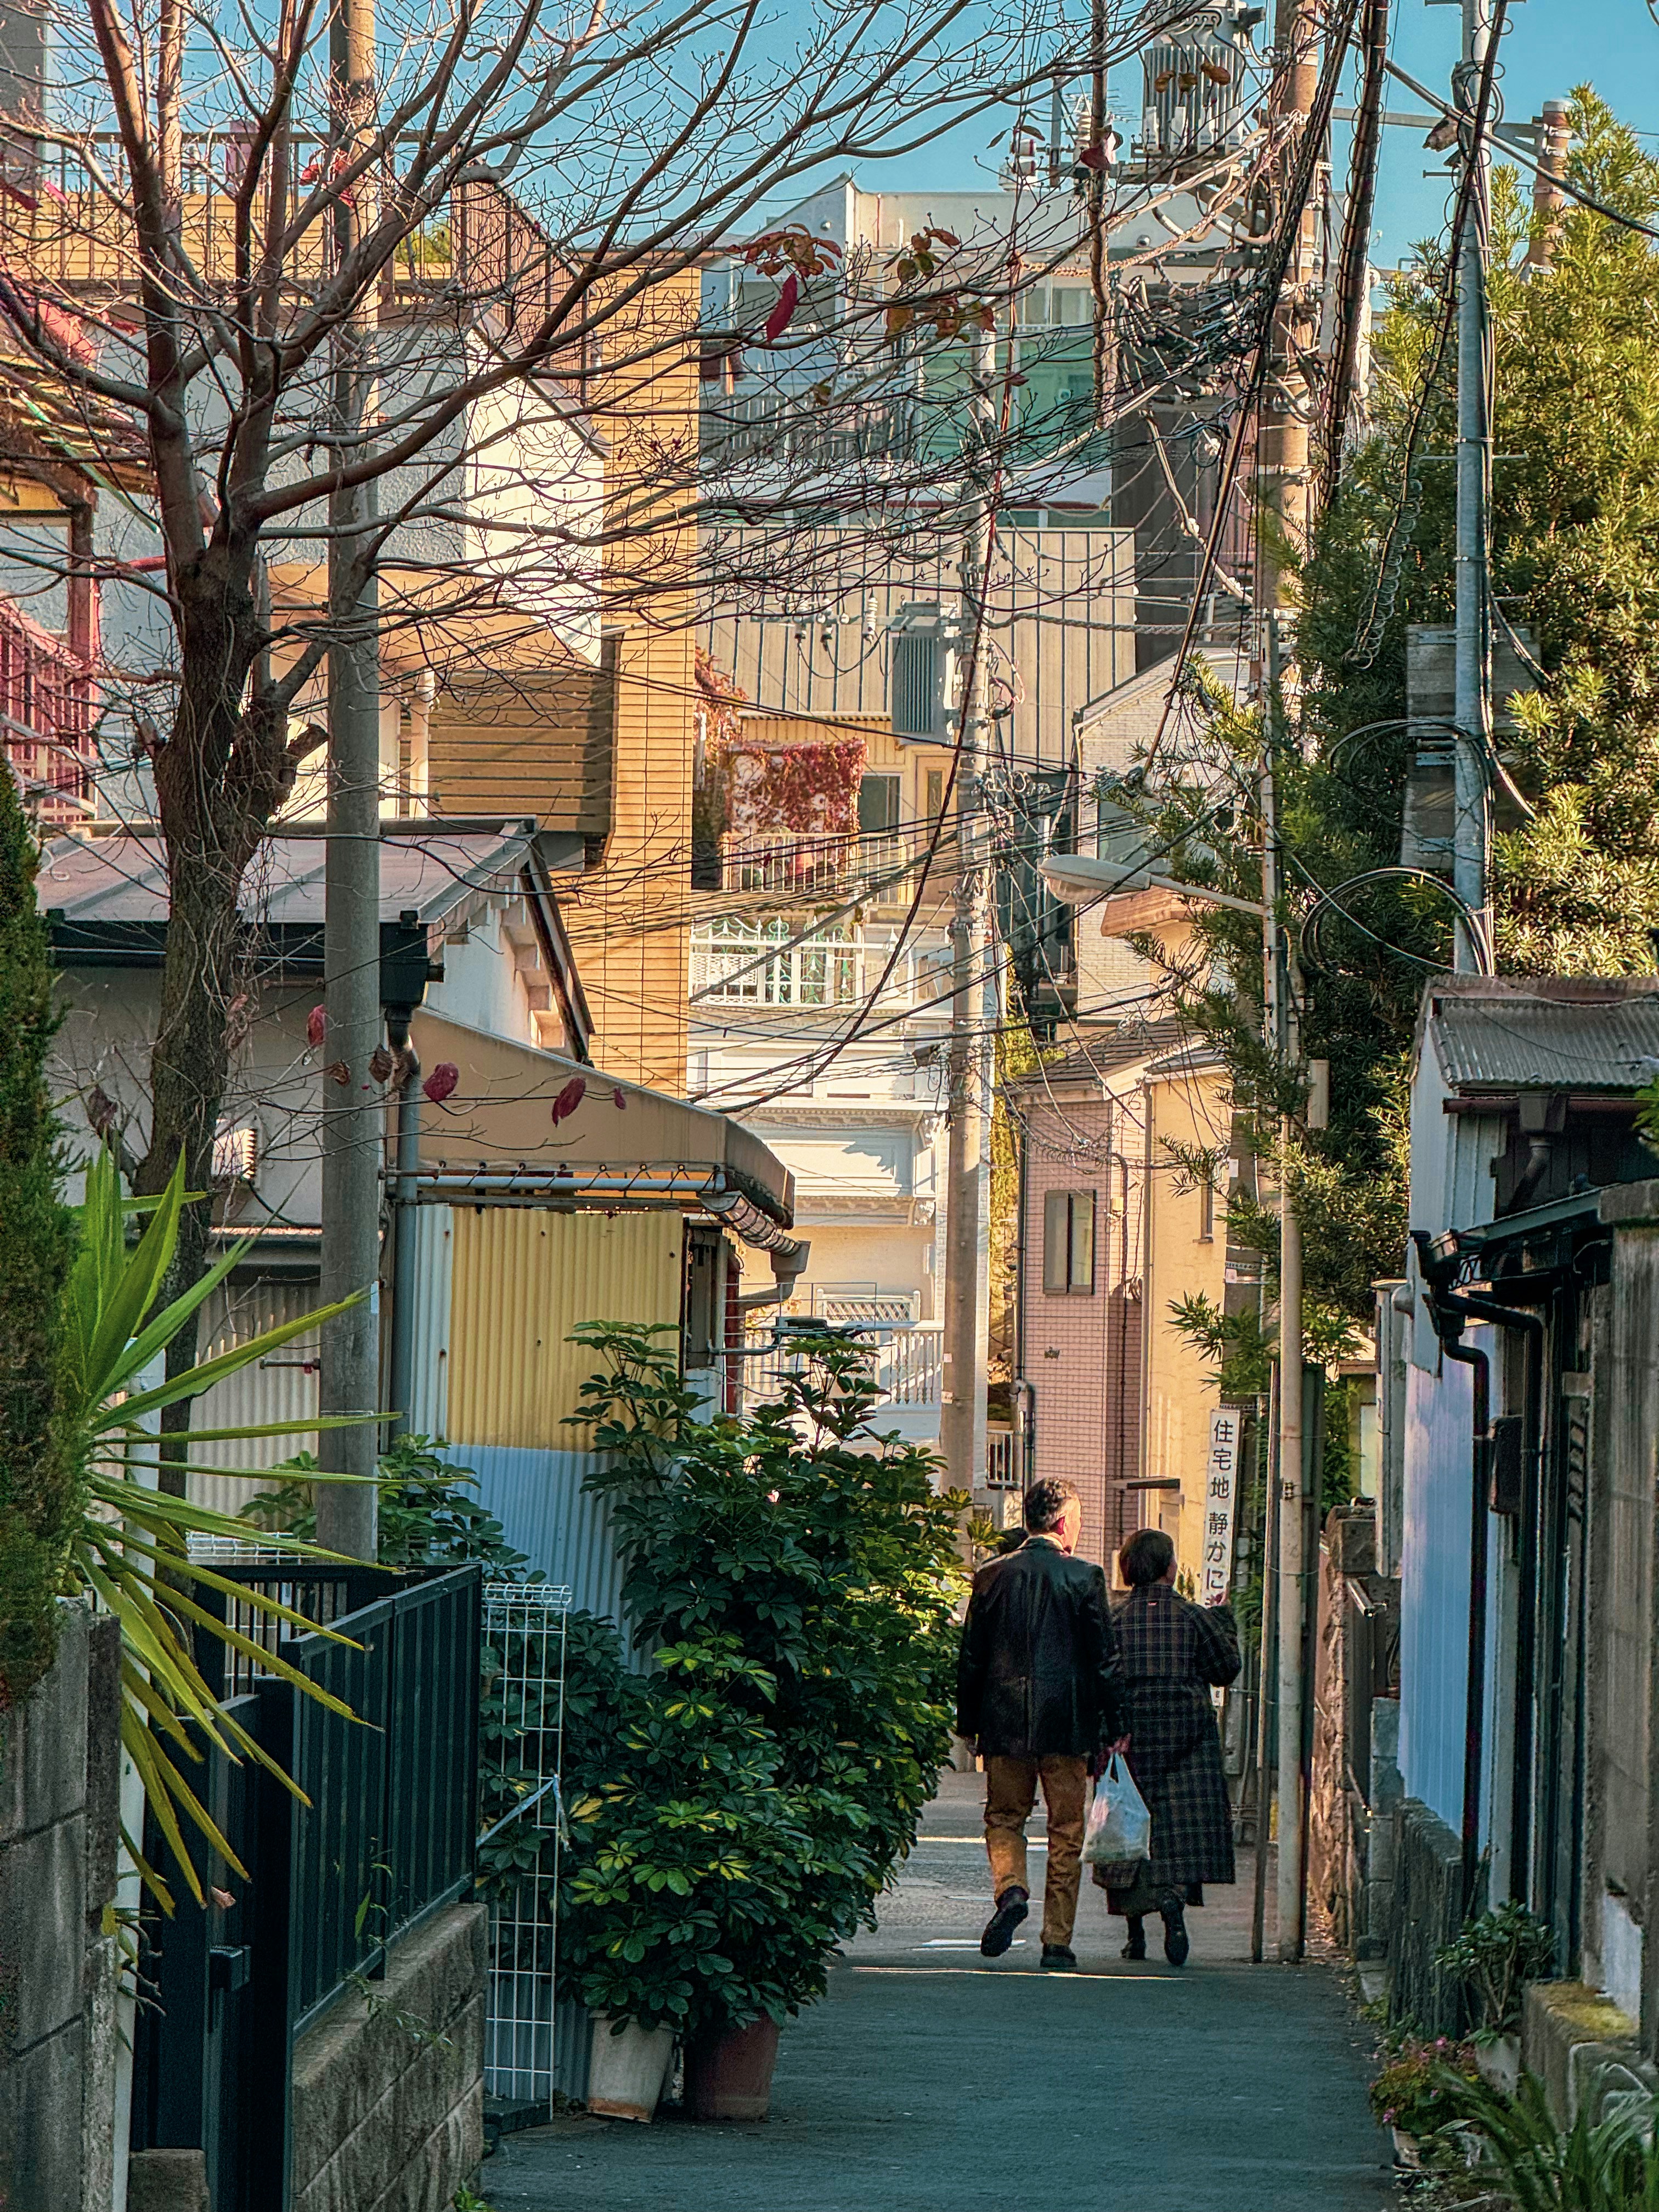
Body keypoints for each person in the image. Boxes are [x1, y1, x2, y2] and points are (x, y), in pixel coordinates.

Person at [956, 1477, 1124, 1971]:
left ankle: (1011, 1889)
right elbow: (1105, 1661)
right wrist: (1115, 1723)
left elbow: (972, 1659)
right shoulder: (1085, 1577)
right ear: (1064, 1522)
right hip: (1067, 1724)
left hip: (1004, 1721)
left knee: (1004, 1818)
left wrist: (969, 1722)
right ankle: (1057, 1940)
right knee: (1066, 1829)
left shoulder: (990, 1577)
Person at [1094, 1526, 1242, 1966]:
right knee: (1178, 1830)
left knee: (1129, 1831)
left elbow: (1099, 1679)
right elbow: (1225, 1669)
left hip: (1130, 1738)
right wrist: (1224, 1619)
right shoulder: (1193, 1617)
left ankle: (1135, 1933)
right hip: (1187, 1735)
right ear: (1168, 1568)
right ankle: (1174, 1901)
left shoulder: (1115, 1620)